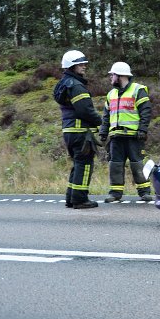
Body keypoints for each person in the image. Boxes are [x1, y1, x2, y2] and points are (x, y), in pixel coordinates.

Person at [53, 50, 102, 209]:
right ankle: (80, 199)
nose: (84, 66)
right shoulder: (76, 86)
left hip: (69, 131)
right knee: (85, 164)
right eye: (80, 64)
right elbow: (85, 110)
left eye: (84, 63)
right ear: (71, 66)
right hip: (80, 132)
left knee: (78, 164)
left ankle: (71, 198)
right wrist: (100, 120)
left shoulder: (65, 83)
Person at [99, 61, 153, 202]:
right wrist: (103, 132)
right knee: (115, 165)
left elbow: (146, 111)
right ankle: (115, 193)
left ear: (120, 76)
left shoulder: (138, 90)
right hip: (116, 137)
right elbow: (106, 116)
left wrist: (142, 129)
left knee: (137, 164)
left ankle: (144, 192)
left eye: (112, 75)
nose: (111, 78)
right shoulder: (111, 94)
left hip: (134, 136)